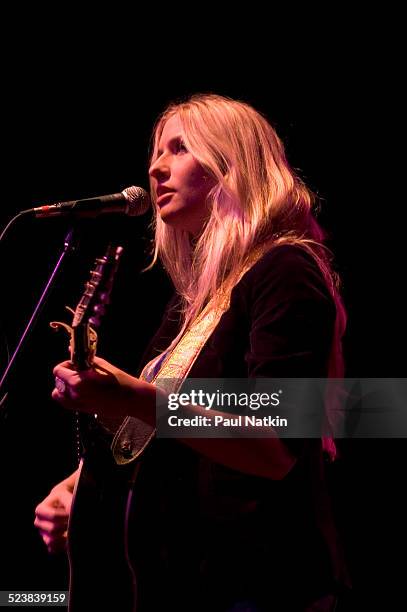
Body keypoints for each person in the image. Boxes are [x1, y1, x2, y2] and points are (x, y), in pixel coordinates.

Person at [34, 94, 350, 611]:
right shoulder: (196, 302)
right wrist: (78, 487)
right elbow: (156, 426)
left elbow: (275, 447)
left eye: (180, 149)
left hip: (263, 585)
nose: (156, 166)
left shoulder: (285, 270)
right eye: (156, 152)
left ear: (234, 164)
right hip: (188, 584)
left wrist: (134, 397)